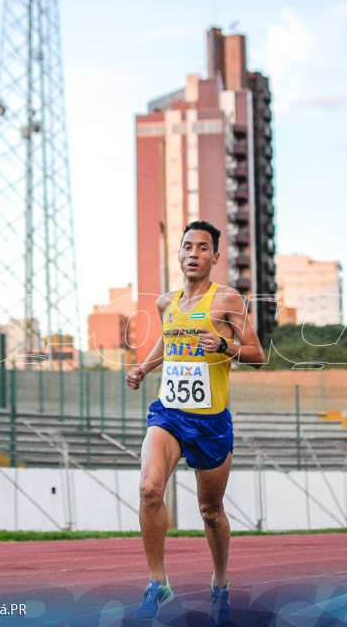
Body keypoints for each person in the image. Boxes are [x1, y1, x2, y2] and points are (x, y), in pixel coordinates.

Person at [126, 220, 265, 625]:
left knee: (210, 510)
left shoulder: (228, 301)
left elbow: (257, 353)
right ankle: (158, 584)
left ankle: (220, 583)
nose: (193, 254)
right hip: (169, 413)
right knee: (150, 489)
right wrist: (144, 368)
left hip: (211, 422)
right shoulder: (166, 303)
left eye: (203, 248)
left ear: (215, 257)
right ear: (180, 253)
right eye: (188, 246)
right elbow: (168, 343)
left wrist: (225, 345)